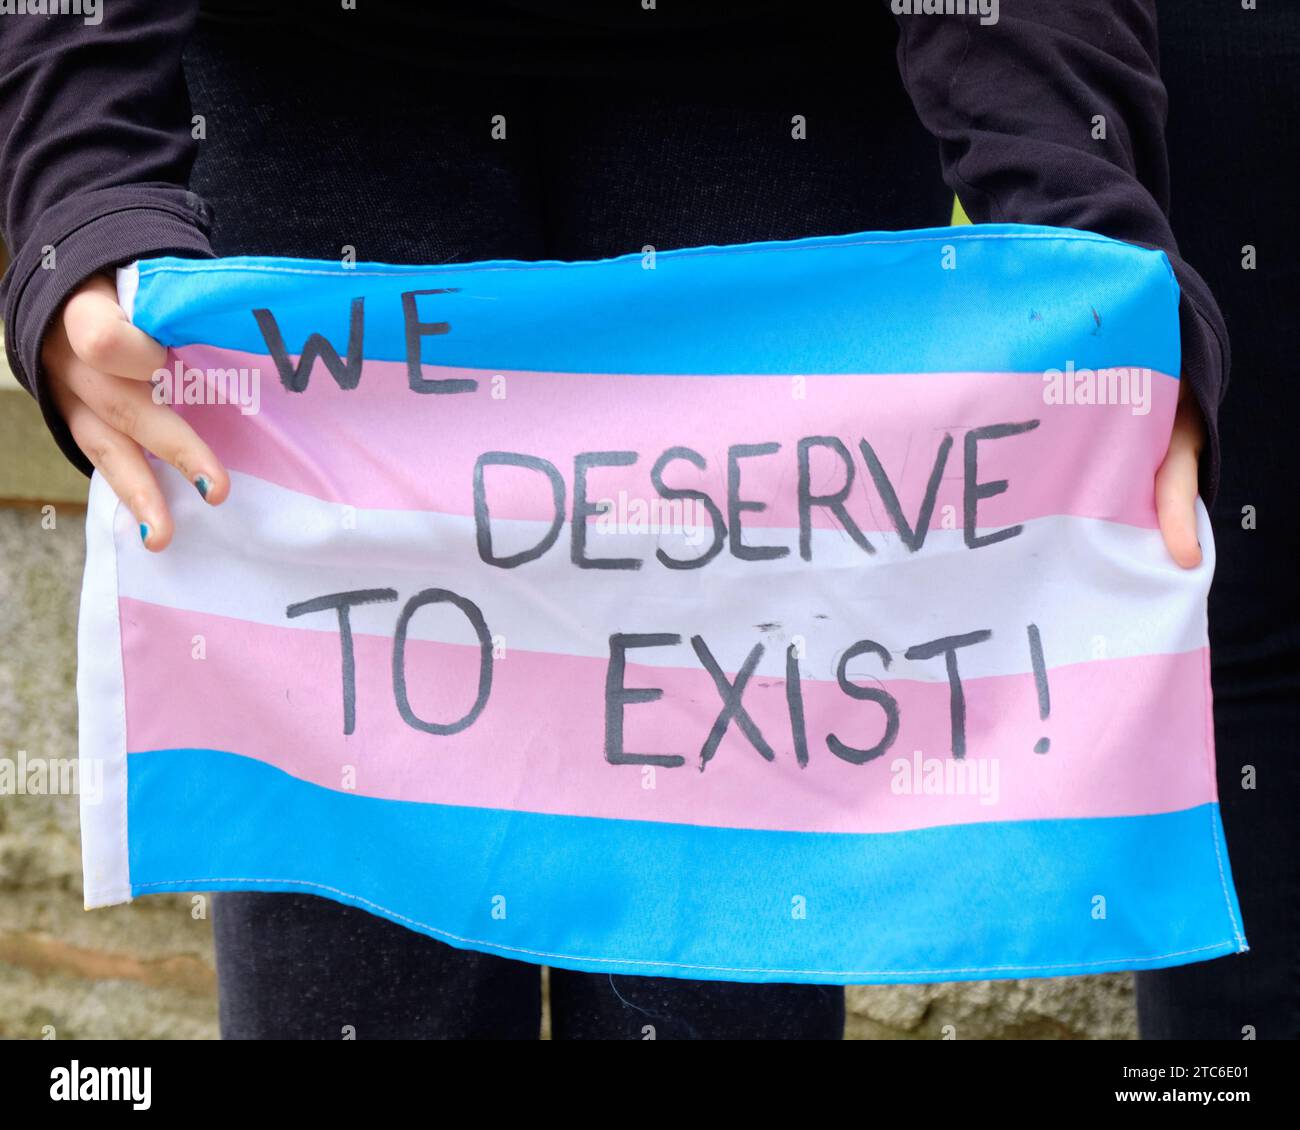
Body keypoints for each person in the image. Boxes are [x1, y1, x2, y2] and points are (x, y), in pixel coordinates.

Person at [0, 1, 1229, 1039]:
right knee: (350, 956)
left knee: (719, 981)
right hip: (310, 90)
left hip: (764, 82)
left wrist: (1092, 259)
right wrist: (79, 196)